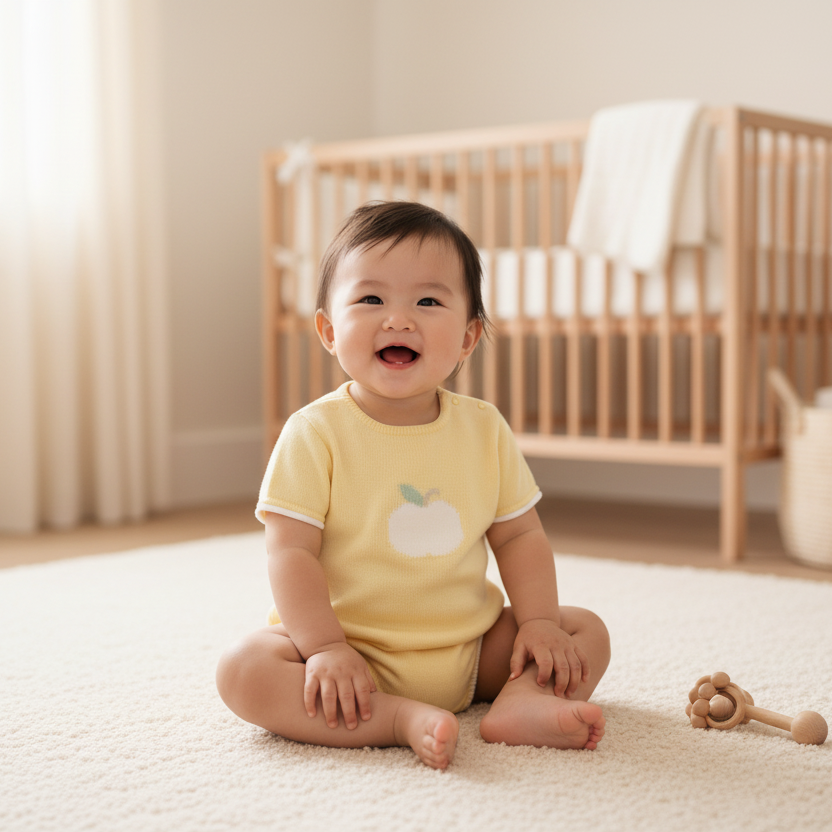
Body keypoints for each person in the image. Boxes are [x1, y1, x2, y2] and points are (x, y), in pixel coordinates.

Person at [216, 201, 611, 769]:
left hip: (472, 648)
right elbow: (290, 552)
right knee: (243, 670)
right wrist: (325, 647)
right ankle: (397, 718)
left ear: (469, 338)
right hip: (354, 656)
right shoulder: (314, 433)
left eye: (428, 301)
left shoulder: (482, 428)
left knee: (582, 630)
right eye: (371, 299)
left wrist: (541, 623)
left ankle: (520, 702)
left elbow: (520, 537)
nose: (398, 319)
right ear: (329, 330)